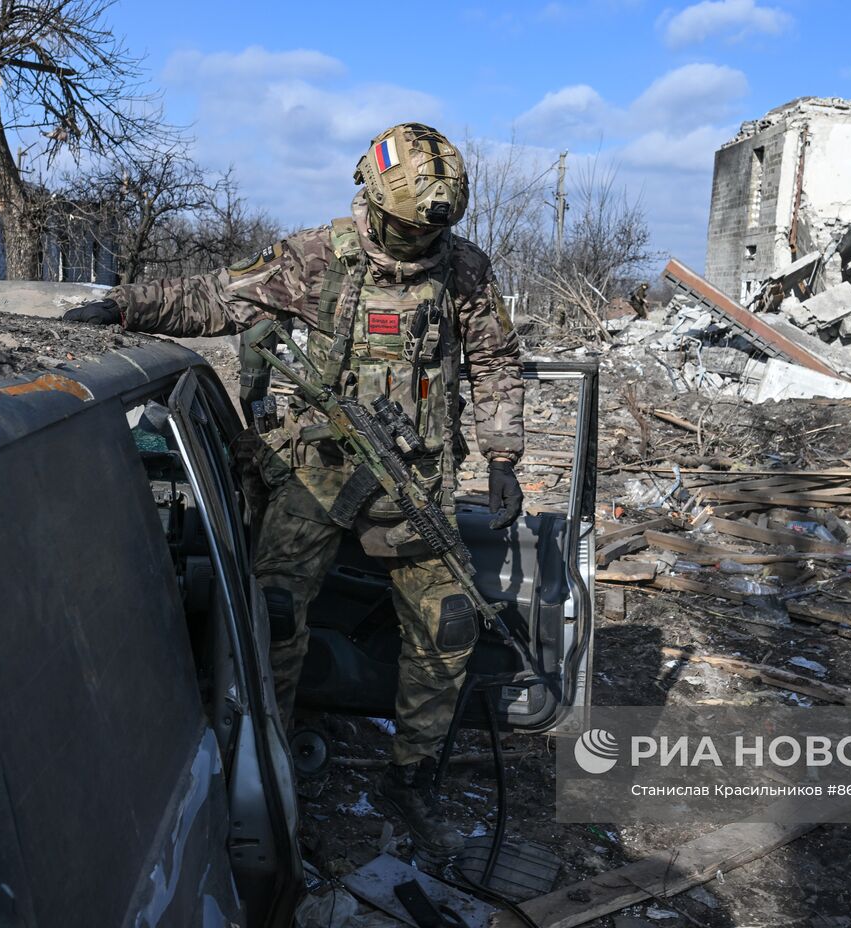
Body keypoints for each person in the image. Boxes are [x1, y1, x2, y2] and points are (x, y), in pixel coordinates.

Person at [63, 123, 525, 856]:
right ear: (374, 202)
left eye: (428, 232)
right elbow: (215, 299)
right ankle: (269, 768)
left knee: (448, 626)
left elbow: (496, 358)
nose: (417, 243)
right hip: (323, 468)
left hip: (417, 479)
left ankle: (413, 779)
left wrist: (503, 455)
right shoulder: (317, 257)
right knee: (273, 616)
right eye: (406, 228)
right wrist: (124, 305)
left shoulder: (463, 267)